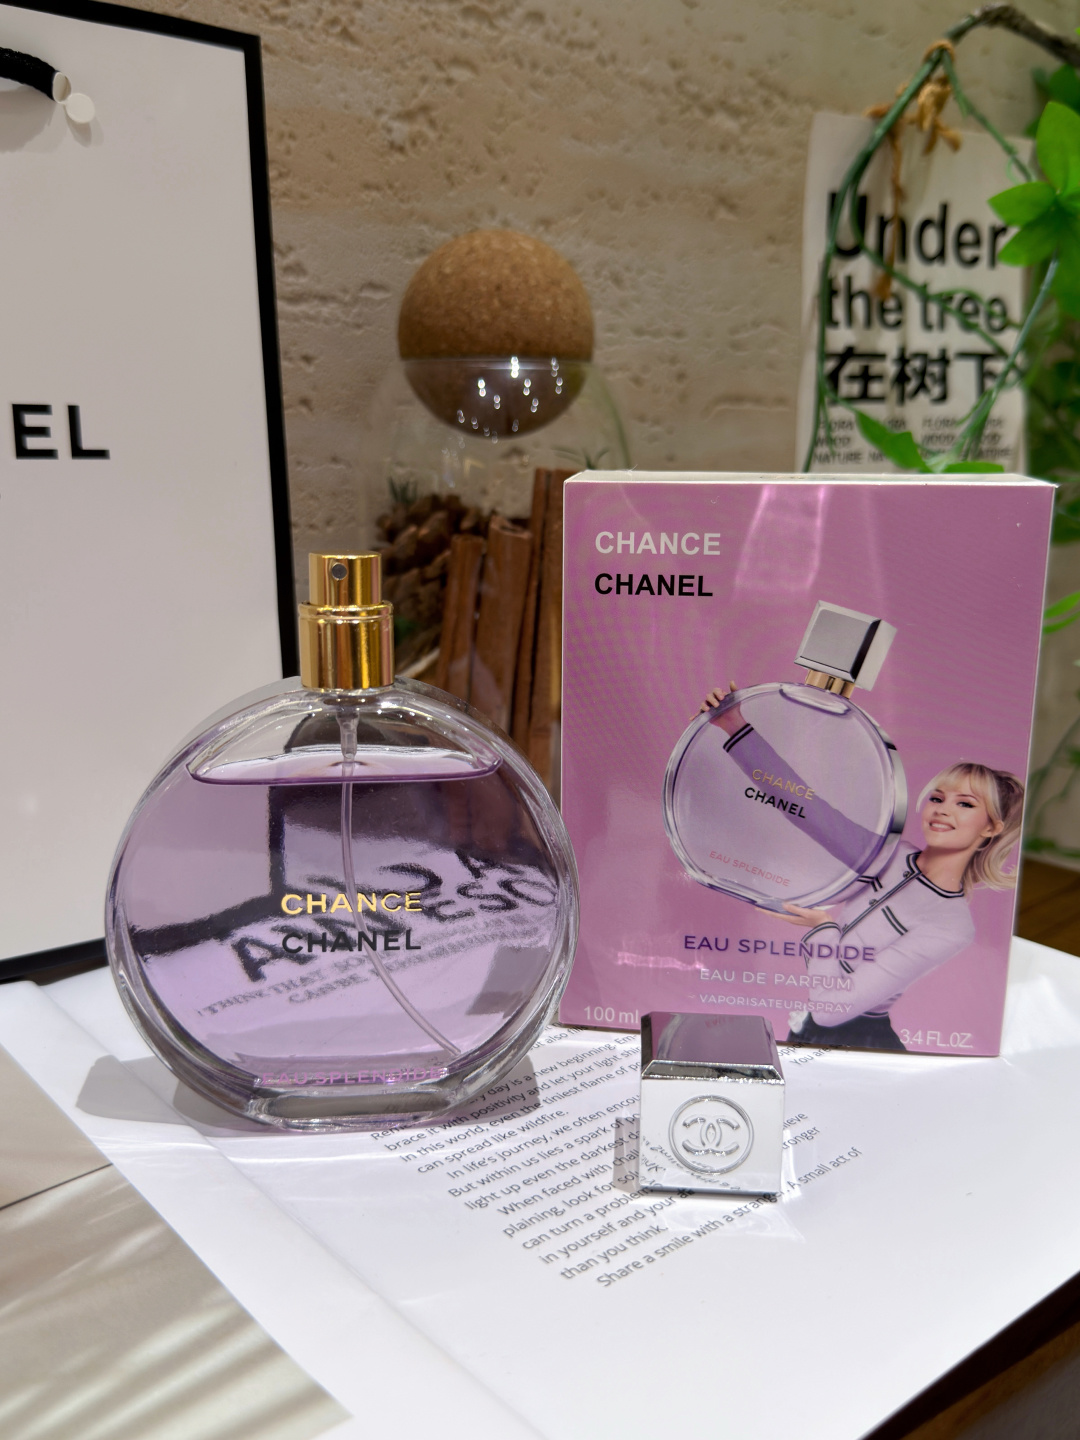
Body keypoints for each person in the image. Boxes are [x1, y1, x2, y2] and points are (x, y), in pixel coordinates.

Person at [776, 763, 1024, 1052]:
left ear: (992, 827)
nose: (942, 810)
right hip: (807, 1029)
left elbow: (828, 1011)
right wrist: (739, 736)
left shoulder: (951, 926)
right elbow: (808, 809)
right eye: (937, 798)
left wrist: (823, 929)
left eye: (965, 804)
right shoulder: (889, 853)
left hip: (861, 1045)